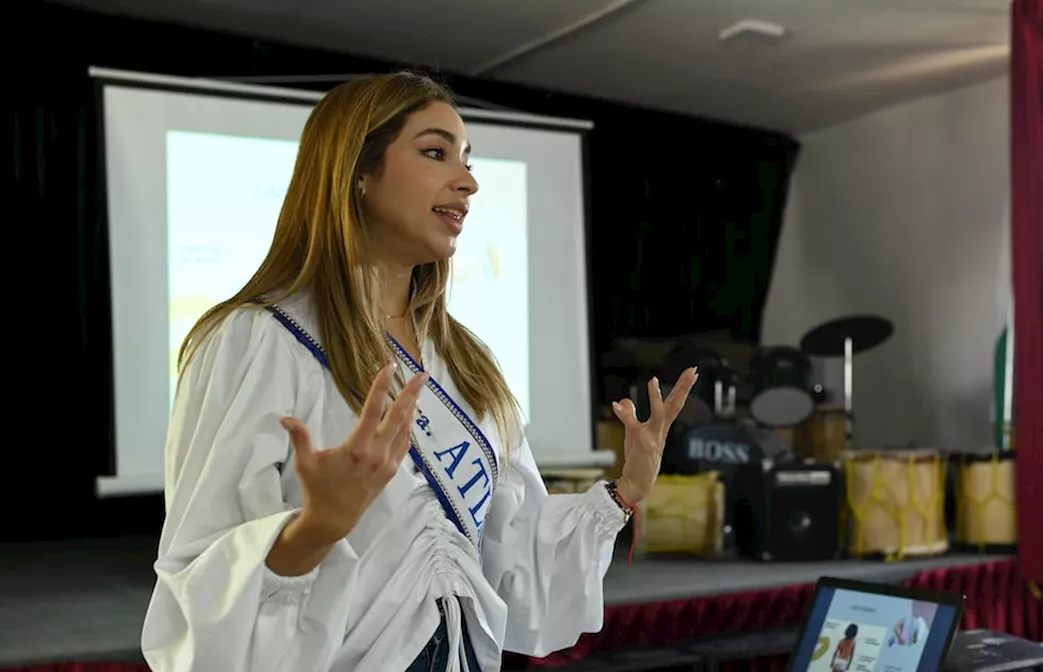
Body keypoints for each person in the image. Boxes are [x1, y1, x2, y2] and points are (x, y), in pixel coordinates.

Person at [139, 71, 697, 672]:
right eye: (435, 153)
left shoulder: (466, 360)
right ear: (357, 172)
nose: (469, 181)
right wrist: (315, 529)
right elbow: (198, 568)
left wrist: (625, 492)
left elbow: (511, 546)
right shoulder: (258, 339)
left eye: (467, 160)